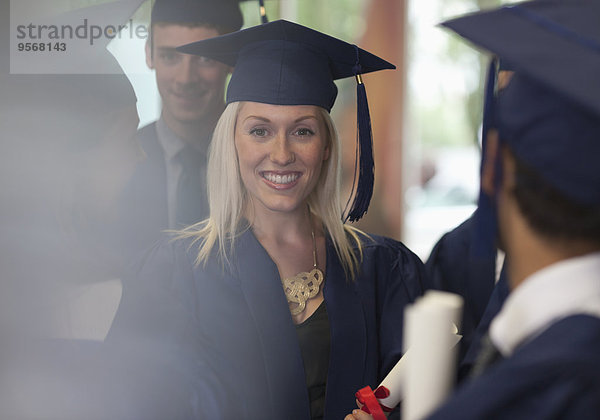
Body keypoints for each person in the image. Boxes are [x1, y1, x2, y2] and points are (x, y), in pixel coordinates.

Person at [107, 19, 427, 420]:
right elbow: (134, 403)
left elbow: (427, 398)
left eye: (303, 132)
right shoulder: (173, 273)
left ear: (326, 146)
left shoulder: (384, 270)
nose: (281, 154)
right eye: (259, 131)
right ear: (232, 141)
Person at [115, 0, 251, 268]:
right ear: (149, 54)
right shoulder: (117, 164)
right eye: (169, 56)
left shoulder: (260, 163)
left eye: (204, 58)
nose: (186, 78)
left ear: (233, 60)